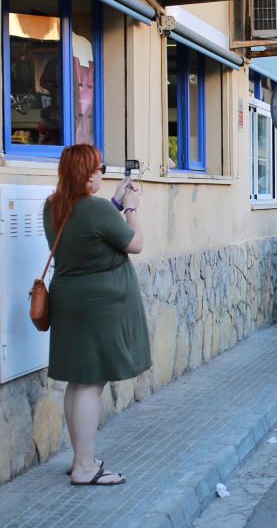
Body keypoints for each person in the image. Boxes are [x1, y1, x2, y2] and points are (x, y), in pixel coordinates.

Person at [44, 144, 149, 486]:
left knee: (78, 380)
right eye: (99, 168)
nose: (103, 173)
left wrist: (115, 203)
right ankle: (85, 467)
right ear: (86, 174)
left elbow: (89, 235)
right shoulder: (96, 208)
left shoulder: (54, 206)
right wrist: (131, 207)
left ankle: (81, 458)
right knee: (92, 382)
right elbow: (134, 242)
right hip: (99, 307)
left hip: (69, 301)